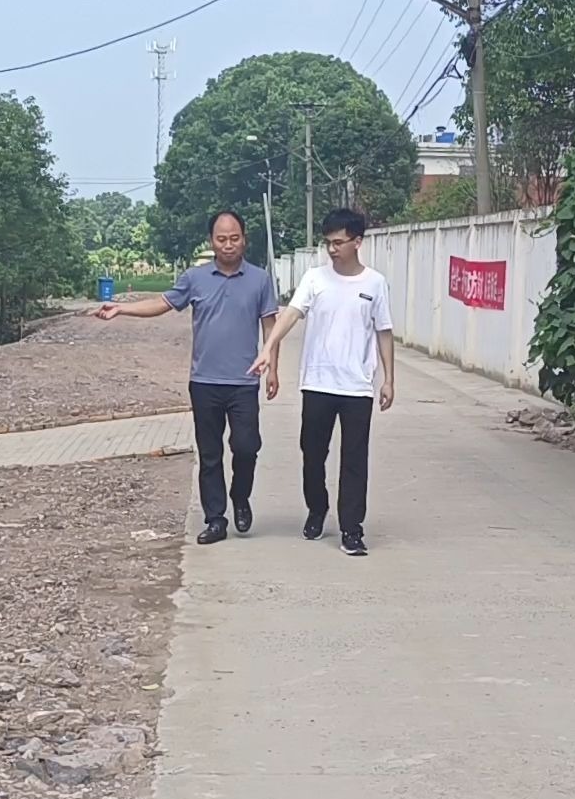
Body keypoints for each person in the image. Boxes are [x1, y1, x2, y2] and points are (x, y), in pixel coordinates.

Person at [97, 210, 279, 544]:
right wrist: (122, 308)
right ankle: (215, 519)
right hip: (205, 382)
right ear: (211, 242)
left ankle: (240, 496)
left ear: (244, 239)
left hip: (244, 382)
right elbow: (163, 302)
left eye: (234, 238)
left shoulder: (260, 279)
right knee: (209, 454)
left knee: (246, 447)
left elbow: (270, 325)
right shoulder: (195, 278)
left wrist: (273, 368)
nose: (228, 245)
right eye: (221, 239)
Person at [251, 208, 395, 557]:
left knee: (355, 460)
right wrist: (269, 347)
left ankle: (352, 529)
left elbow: (384, 331)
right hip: (317, 383)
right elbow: (291, 314)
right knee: (312, 453)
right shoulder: (315, 279)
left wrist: (389, 379)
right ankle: (317, 509)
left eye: (339, 242)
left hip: (357, 386)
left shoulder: (374, 283)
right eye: (328, 243)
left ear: (357, 242)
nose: (332, 249)